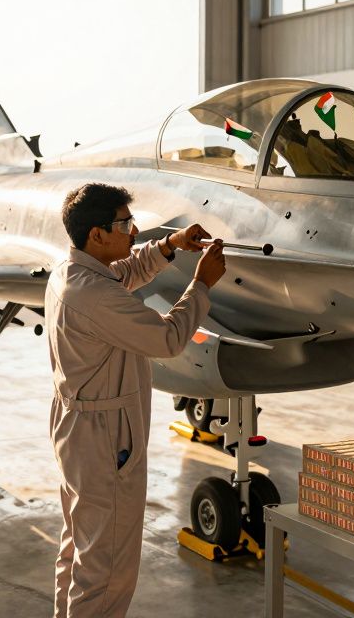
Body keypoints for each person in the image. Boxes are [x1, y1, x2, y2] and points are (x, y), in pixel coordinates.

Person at [46, 182, 226, 618]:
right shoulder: (94, 295)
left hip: (77, 429)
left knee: (80, 548)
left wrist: (170, 245)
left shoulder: (72, 272)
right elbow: (167, 339)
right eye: (125, 224)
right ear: (97, 234)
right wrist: (201, 285)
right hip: (105, 439)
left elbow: (126, 273)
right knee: (107, 570)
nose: (134, 231)